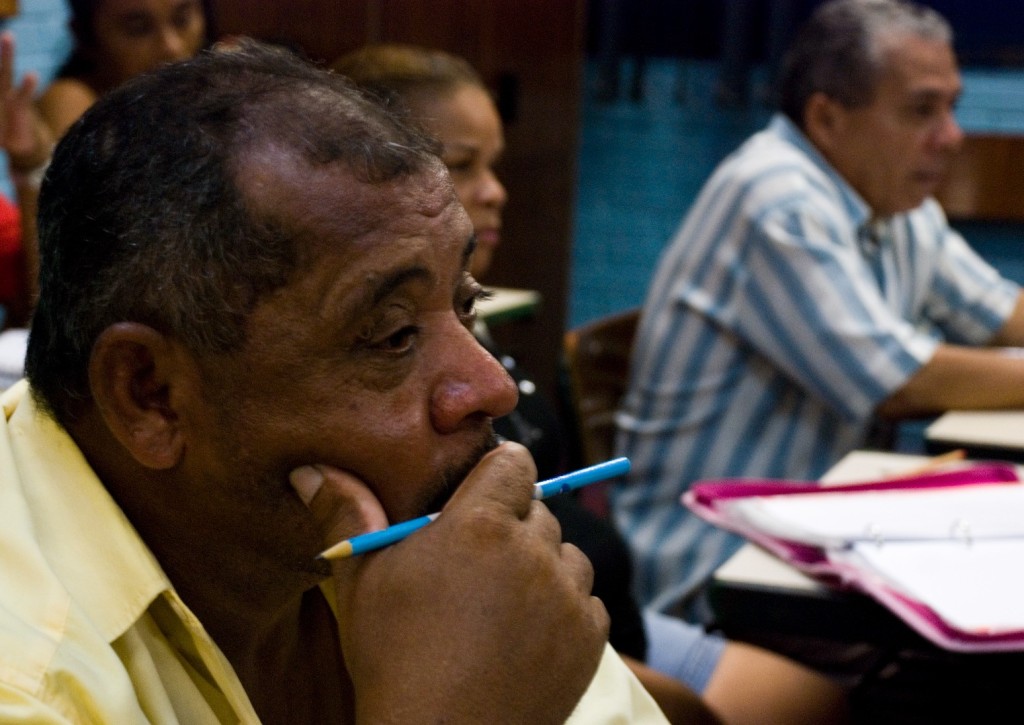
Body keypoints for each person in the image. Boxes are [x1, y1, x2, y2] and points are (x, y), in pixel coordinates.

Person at [0, 40, 672, 723]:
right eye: (393, 334)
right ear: (152, 395)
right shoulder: (28, 683)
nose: (491, 386)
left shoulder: (422, 558)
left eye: (466, 302)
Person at [334, 43, 851, 725]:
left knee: (829, 696)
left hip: (613, 617)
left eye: (495, 163)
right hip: (569, 642)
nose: (495, 190)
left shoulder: (481, 335)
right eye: (462, 165)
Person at [614, 0, 1024, 624]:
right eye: (922, 110)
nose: (951, 135)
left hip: (821, 535)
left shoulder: (894, 200)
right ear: (828, 118)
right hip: (718, 568)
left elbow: (1000, 311)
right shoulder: (776, 195)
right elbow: (899, 381)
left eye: (951, 107)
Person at [37, 0, 208, 140]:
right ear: (84, 35)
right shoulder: (73, 100)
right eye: (138, 28)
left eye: (182, 19)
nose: (172, 47)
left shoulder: (214, 83)